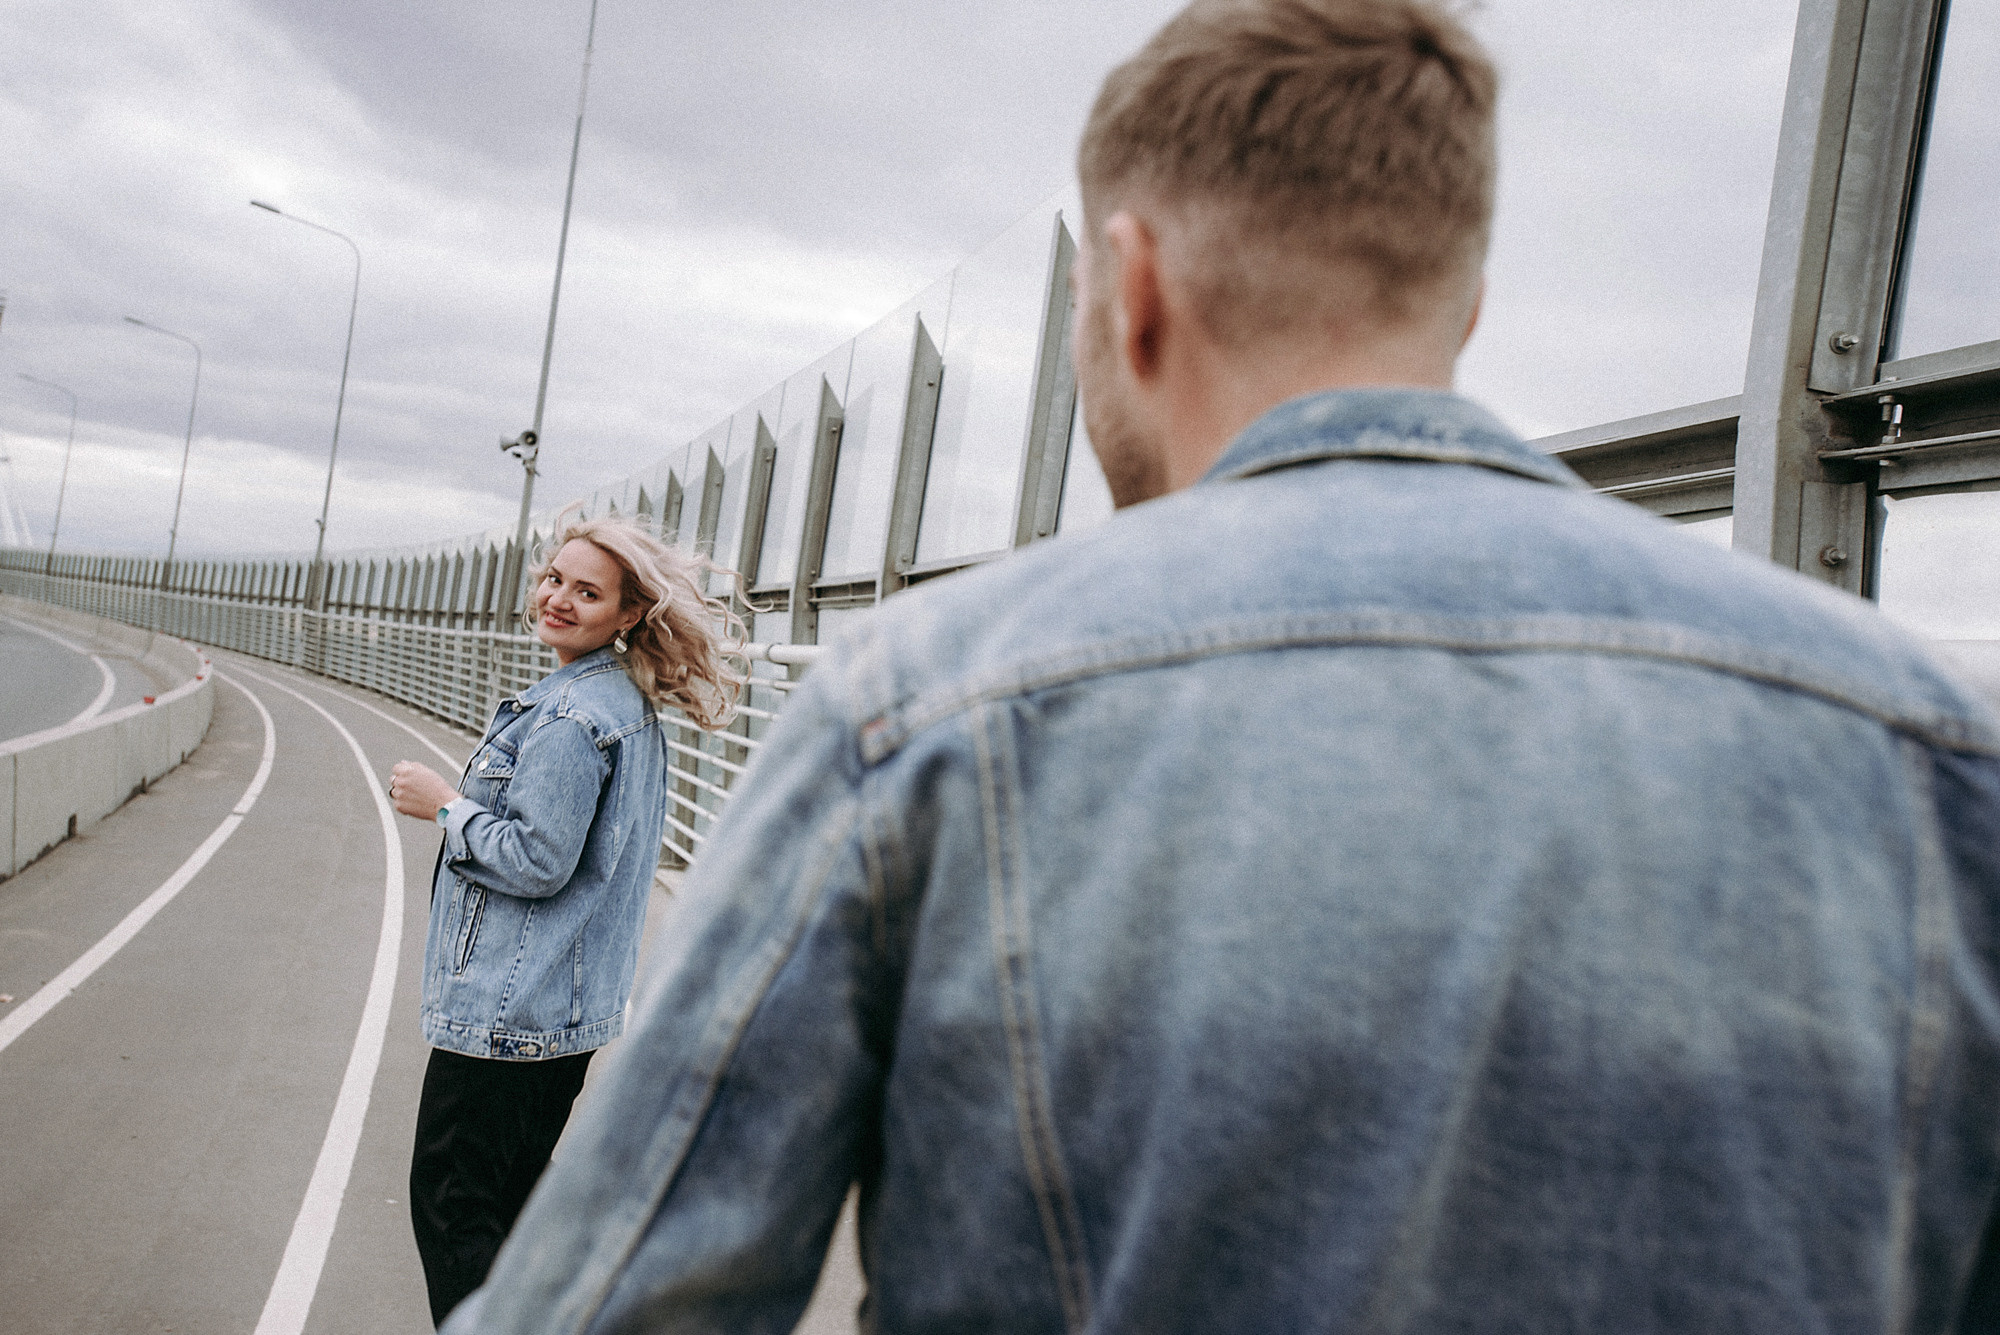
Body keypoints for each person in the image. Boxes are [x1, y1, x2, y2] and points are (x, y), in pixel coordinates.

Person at [446, 2, 2000, 1331]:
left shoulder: (917, 713)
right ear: (1464, 304)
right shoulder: (1936, 751)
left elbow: (623, 1298)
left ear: (1130, 288)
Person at [386, 508, 742, 1326]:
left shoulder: (572, 718)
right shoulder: (623, 703)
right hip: (561, 1010)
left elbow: (539, 860)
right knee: (513, 1204)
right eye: (555, 579)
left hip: (510, 1009)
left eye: (588, 592)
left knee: (453, 1201)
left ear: (628, 613)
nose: (558, 598)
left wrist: (445, 806)